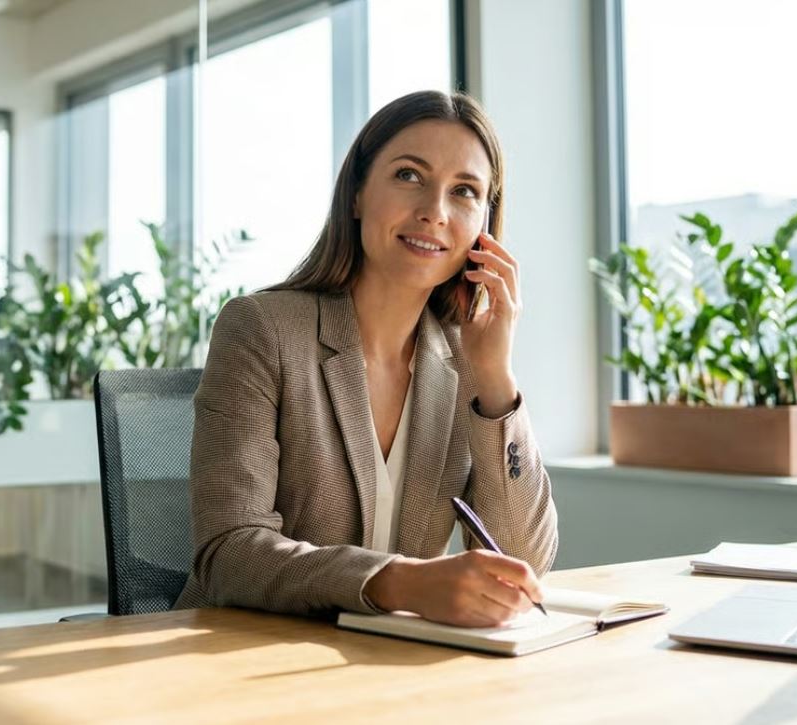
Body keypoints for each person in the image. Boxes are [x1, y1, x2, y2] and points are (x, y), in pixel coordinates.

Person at [174, 90, 558, 628]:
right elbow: (229, 552)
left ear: (484, 225)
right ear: (356, 193)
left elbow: (523, 561)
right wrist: (402, 582)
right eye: (408, 175)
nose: (434, 212)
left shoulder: (466, 357)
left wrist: (496, 380)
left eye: (464, 191)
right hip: (242, 650)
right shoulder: (261, 329)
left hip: (384, 657)